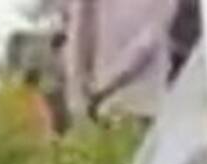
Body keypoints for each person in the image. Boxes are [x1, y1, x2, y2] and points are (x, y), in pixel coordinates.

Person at [63, 0, 193, 124]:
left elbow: (79, 31)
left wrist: (90, 86)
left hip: (120, 96)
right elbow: (151, 38)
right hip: (132, 97)